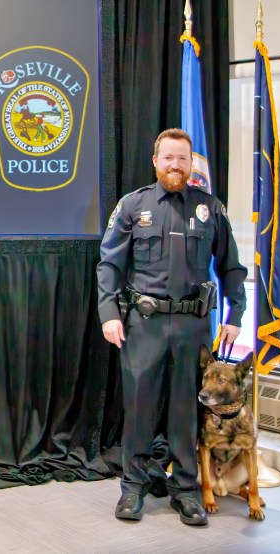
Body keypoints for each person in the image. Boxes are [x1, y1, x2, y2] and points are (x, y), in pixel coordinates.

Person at [96, 127, 247, 526]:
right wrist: (109, 312)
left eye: (182, 158)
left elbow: (231, 265)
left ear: (191, 163)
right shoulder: (133, 205)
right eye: (168, 158)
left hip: (193, 328)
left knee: (186, 411)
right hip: (144, 325)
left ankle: (185, 490)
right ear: (155, 161)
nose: (175, 165)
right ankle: (133, 488)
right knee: (139, 407)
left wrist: (235, 314)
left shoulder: (210, 208)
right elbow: (109, 263)